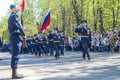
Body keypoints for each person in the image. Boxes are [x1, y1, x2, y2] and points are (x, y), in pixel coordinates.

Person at [8, 4, 26, 79]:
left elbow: (17, 26)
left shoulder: (12, 16)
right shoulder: (13, 16)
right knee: (16, 55)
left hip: (15, 37)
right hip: (15, 37)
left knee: (15, 54)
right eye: (17, 7)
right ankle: (14, 74)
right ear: (14, 8)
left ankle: (15, 72)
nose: (18, 8)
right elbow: (19, 26)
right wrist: (23, 33)